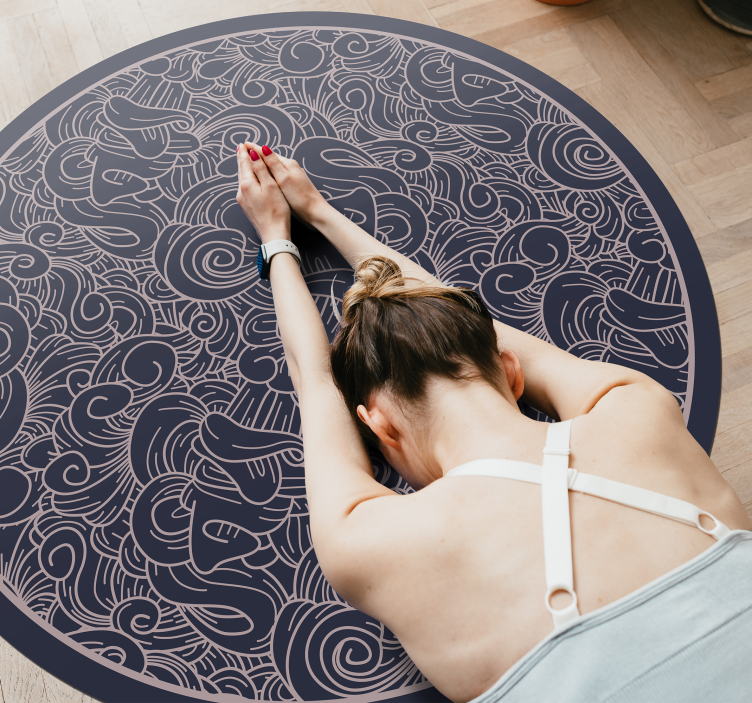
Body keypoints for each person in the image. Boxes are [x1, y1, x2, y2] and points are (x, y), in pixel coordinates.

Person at [235, 142, 752, 703]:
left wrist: (277, 239)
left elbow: (315, 383)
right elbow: (489, 332)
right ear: (510, 372)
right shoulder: (637, 407)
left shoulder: (370, 540)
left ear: (379, 426)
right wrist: (322, 212)